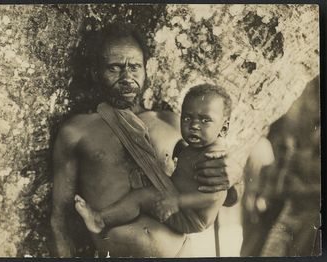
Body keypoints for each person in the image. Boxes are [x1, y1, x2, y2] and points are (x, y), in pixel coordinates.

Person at [50, 22, 243, 257]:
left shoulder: (172, 122)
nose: (126, 77)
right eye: (114, 68)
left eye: (134, 67)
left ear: (145, 70)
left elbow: (221, 192)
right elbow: (60, 217)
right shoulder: (77, 131)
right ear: (95, 73)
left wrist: (235, 178)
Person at [74, 84, 231, 235]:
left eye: (205, 120)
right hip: (179, 198)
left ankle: (99, 220)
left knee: (141, 197)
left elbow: (213, 196)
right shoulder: (201, 145)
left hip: (190, 216)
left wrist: (177, 201)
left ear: (223, 128)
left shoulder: (214, 157)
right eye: (187, 118)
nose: (194, 125)